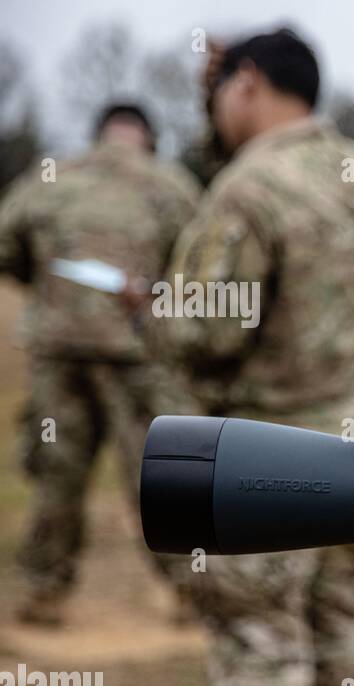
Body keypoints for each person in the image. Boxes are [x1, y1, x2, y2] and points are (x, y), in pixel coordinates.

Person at [149, 27, 354, 686]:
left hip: (263, 455)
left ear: (247, 83)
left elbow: (208, 333)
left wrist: (162, 307)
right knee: (333, 621)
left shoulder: (248, 189)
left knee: (258, 634)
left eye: (217, 91)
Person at [0, 103, 200, 626]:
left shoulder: (49, 177)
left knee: (56, 474)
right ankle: (186, 590)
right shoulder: (169, 184)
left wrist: (46, 287)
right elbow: (198, 261)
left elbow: (5, 245)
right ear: (147, 138)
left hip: (57, 349)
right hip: (136, 355)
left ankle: (44, 591)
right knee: (158, 475)